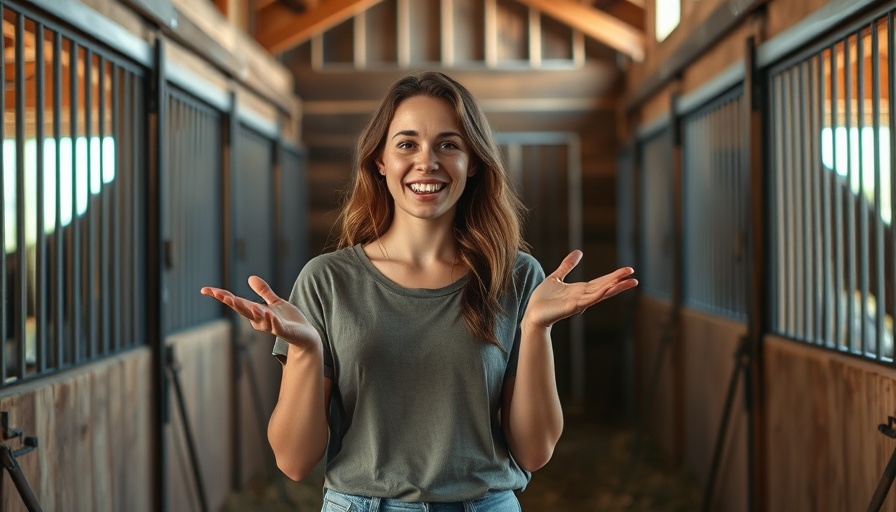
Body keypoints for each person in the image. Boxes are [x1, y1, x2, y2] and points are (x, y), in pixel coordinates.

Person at [201, 71, 637, 512]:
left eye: (449, 144)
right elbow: (294, 462)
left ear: (474, 162)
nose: (427, 161)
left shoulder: (517, 276)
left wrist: (537, 327)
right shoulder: (326, 280)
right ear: (380, 161)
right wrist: (306, 352)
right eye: (407, 144)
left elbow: (535, 452)